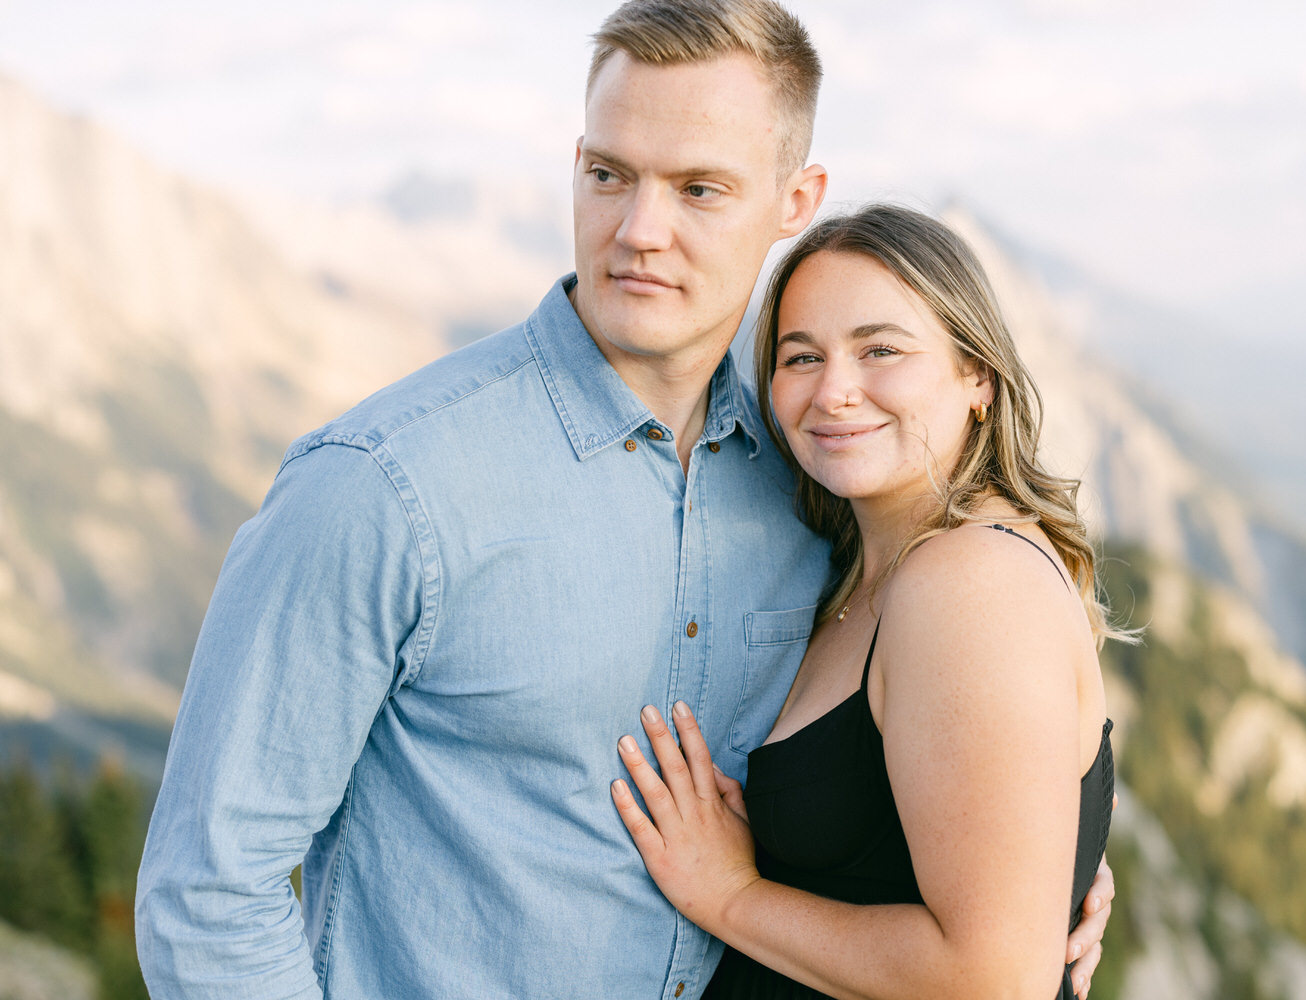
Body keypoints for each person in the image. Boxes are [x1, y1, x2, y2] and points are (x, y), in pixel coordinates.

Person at [134, 3, 1113, 998]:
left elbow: (925, 771)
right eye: (609, 174)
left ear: (794, 198)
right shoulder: (383, 484)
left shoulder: (809, 471)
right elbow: (209, 893)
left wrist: (1039, 854)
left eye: (699, 187)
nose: (640, 231)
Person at [610, 204, 1121, 1000]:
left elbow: (993, 980)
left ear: (976, 375)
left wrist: (731, 895)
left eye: (880, 349)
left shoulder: (969, 584)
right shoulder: (861, 566)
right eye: (800, 356)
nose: (835, 392)